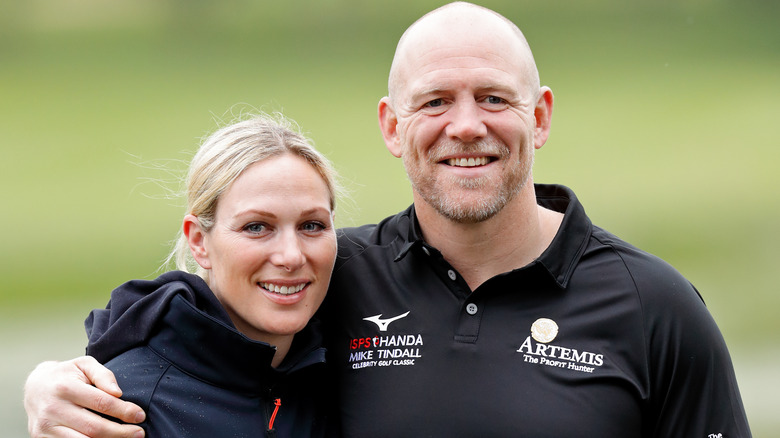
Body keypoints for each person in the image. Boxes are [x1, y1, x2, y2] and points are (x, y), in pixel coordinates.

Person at [24, 2, 751, 437]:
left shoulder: (654, 308)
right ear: (392, 127)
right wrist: (54, 381)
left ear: (541, 115)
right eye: (435, 102)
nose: (466, 127)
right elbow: (181, 329)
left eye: (494, 99)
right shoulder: (330, 275)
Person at [28, 114, 340, 437]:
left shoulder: (356, 367)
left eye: (311, 225)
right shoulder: (124, 405)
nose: (291, 256)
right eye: (256, 227)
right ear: (199, 241)